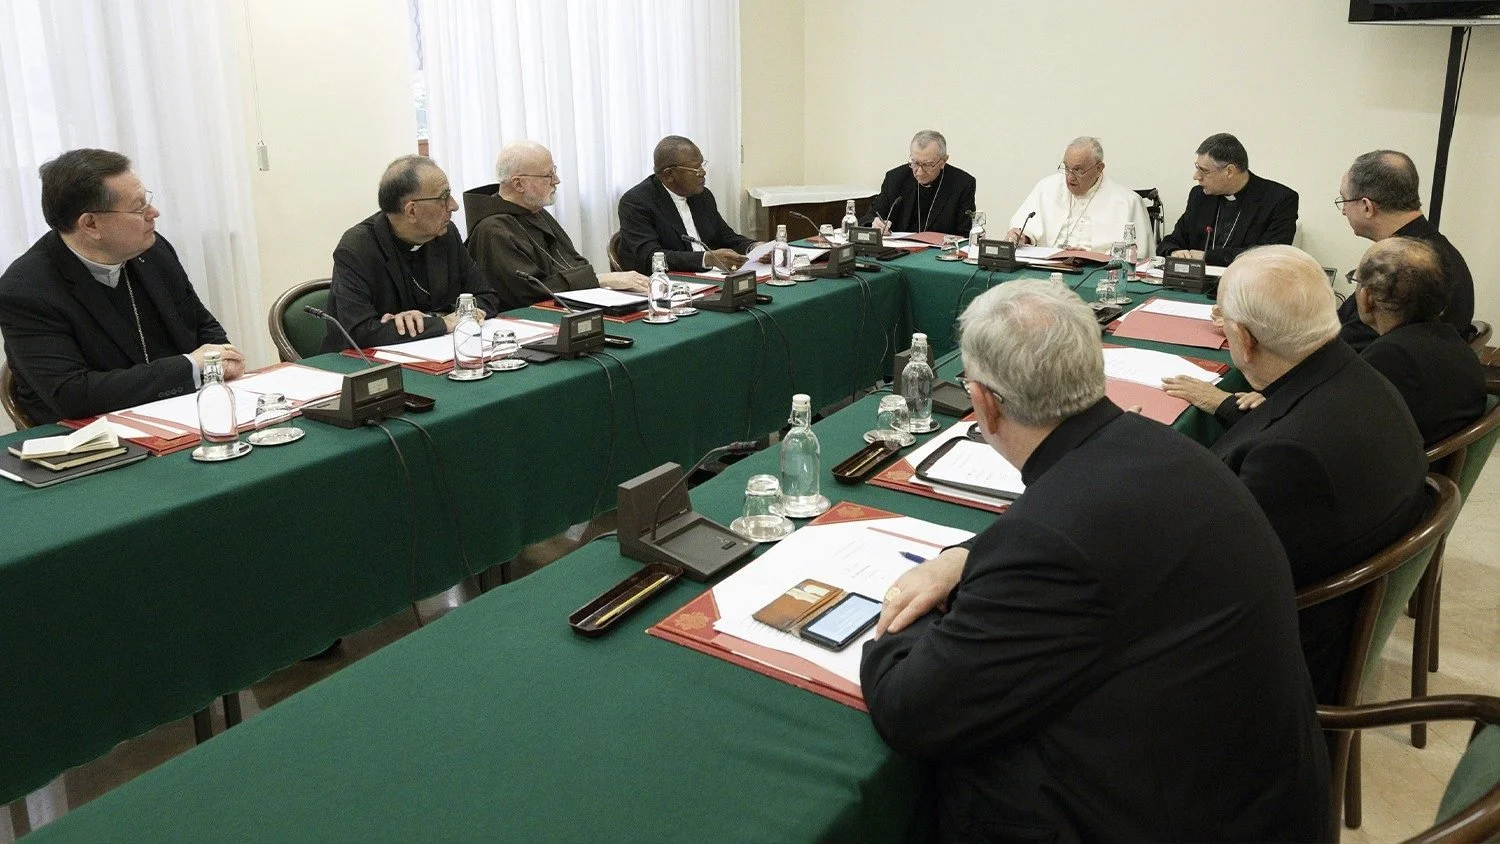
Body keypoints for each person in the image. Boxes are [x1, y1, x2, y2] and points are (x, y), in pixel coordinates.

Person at [863, 278, 1328, 841]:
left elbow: (912, 711)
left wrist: (895, 612)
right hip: (1255, 789)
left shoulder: (1053, 540)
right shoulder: (1157, 445)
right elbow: (1085, 533)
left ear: (983, 402)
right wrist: (962, 556)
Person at [1180, 245, 1427, 704]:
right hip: (1333, 593)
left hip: (1278, 668)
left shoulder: (1289, 458)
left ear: (1244, 339)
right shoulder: (1357, 375)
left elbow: (1209, 582)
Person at [1168, 238, 1486, 450]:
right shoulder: (1451, 340)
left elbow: (1304, 427)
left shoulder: (1388, 359)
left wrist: (1221, 402)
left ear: (1366, 297)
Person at [0, 148, 242, 425]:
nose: (154, 213)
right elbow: (73, 394)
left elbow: (200, 324)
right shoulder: (25, 291)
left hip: (183, 415)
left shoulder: (152, 250)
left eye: (147, 201)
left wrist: (223, 357)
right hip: (92, 438)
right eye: (139, 208)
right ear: (91, 224)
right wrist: (190, 367)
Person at [321, 155, 499, 352]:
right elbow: (359, 332)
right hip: (365, 364)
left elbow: (486, 297)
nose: (453, 205)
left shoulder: (445, 235)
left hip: (436, 354)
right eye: (443, 198)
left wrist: (434, 318)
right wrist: (441, 324)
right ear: (411, 211)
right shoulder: (356, 249)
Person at [462, 141, 649, 310]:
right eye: (548, 175)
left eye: (554, 171)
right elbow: (530, 292)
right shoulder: (493, 230)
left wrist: (608, 283)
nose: (556, 180)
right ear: (518, 184)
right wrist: (601, 280)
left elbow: (573, 263)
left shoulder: (536, 211)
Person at [1335, 149, 1475, 350]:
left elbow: (1346, 344)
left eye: (1344, 200)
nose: (1343, 211)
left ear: (1367, 207)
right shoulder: (1437, 252)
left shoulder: (1402, 267)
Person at [616, 136, 756, 274]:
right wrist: (706, 259)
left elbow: (725, 236)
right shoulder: (636, 203)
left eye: (702, 164)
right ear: (669, 174)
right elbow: (651, 258)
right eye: (695, 168)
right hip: (666, 281)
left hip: (711, 277)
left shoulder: (702, 196)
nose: (703, 172)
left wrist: (753, 247)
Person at [1157, 133, 1298, 265]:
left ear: (1229, 171)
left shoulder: (1280, 200)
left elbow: (1269, 256)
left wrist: (1207, 257)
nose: (1196, 176)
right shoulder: (1199, 196)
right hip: (1195, 281)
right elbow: (1171, 241)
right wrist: (1174, 252)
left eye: (1204, 170)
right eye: (1197, 168)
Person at [1004, 136, 1152, 255]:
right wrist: (1023, 237)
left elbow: (1138, 255)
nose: (1069, 177)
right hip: (1048, 268)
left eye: (1078, 170)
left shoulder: (1128, 202)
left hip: (1098, 273)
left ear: (1099, 168)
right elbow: (1026, 230)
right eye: (1066, 168)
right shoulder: (1046, 188)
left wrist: (1090, 257)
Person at [860, 130, 977, 236]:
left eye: (927, 165)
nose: (919, 171)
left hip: (940, 251)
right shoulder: (895, 178)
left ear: (943, 161)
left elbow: (966, 234)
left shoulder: (962, 184)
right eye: (915, 163)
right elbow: (869, 217)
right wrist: (875, 224)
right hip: (899, 250)